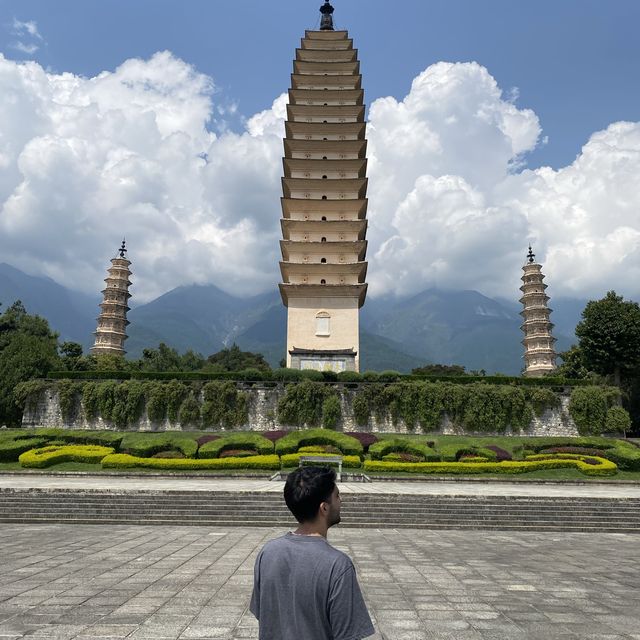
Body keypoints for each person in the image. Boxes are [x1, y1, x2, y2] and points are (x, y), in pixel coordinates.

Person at [250, 466, 375, 640]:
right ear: (324, 508)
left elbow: (262, 613)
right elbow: (348, 635)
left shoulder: (268, 552)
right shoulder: (338, 565)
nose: (341, 500)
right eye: (337, 496)